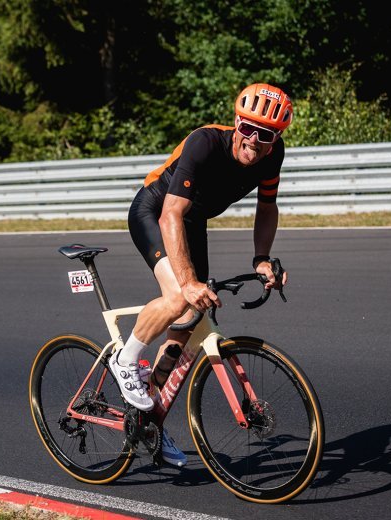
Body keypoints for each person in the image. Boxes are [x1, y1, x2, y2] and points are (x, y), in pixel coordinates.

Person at [109, 83, 292, 467]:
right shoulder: (204, 143)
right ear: (236, 123)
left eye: (266, 135)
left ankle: (147, 422)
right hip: (156, 210)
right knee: (179, 297)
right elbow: (170, 214)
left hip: (192, 221)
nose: (254, 142)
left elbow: (268, 207)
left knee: (191, 319)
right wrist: (188, 281)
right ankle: (126, 360)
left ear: (276, 139)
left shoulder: (271, 157)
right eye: (248, 129)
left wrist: (262, 258)